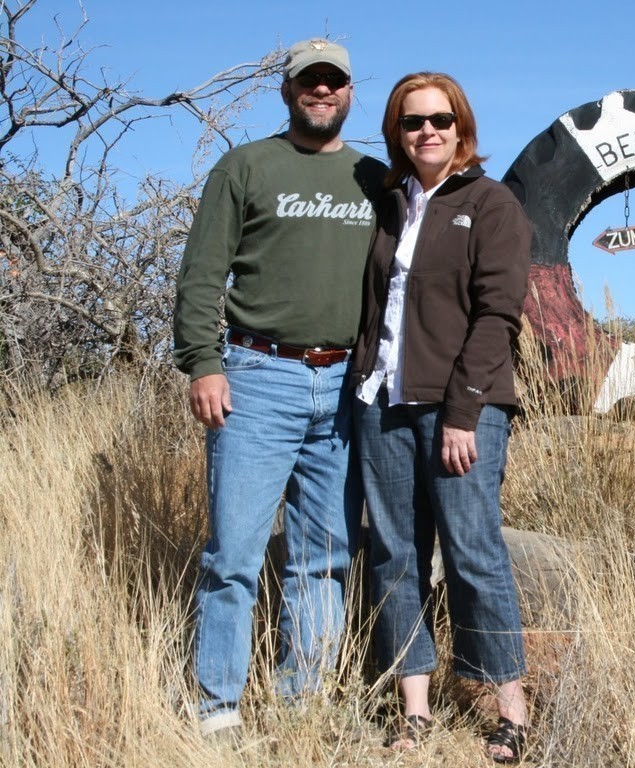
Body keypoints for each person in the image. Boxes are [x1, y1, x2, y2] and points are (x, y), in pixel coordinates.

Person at [172, 38, 386, 740]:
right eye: (308, 82)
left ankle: (305, 703)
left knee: (323, 558)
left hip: (346, 386)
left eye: (334, 82)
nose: (321, 91)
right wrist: (204, 363)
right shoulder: (245, 168)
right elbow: (203, 275)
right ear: (288, 90)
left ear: (350, 92)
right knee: (233, 554)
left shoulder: (376, 179)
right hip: (257, 379)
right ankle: (217, 709)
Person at [350, 72, 532, 763]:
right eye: (412, 121)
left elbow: (497, 314)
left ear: (462, 128)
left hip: (463, 409)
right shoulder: (391, 205)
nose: (427, 131)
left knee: (472, 549)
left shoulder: (490, 204)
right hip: (384, 404)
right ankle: (415, 710)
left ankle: (508, 709)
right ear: (397, 132)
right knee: (395, 556)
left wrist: (463, 413)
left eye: (440, 120)